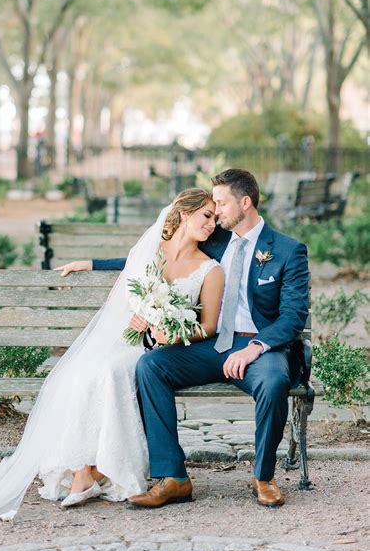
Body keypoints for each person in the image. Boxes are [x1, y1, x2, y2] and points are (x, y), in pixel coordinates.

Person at [0, 188, 224, 526]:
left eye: (216, 218)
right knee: (82, 370)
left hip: (161, 351)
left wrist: (170, 331)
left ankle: (101, 470)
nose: (212, 224)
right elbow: (130, 272)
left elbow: (208, 327)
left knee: (110, 371)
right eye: (206, 216)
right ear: (183, 214)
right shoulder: (153, 252)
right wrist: (99, 272)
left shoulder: (209, 269)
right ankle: (84, 470)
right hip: (131, 340)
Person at [61, 169, 310, 509]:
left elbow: (293, 316)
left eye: (221, 203)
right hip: (210, 345)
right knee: (151, 366)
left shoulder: (287, 250)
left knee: (273, 381)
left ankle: (263, 476)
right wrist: (92, 264)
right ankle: (174, 477)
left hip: (258, 347)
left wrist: (255, 348)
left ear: (245, 202)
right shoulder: (215, 240)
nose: (216, 211)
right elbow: (160, 256)